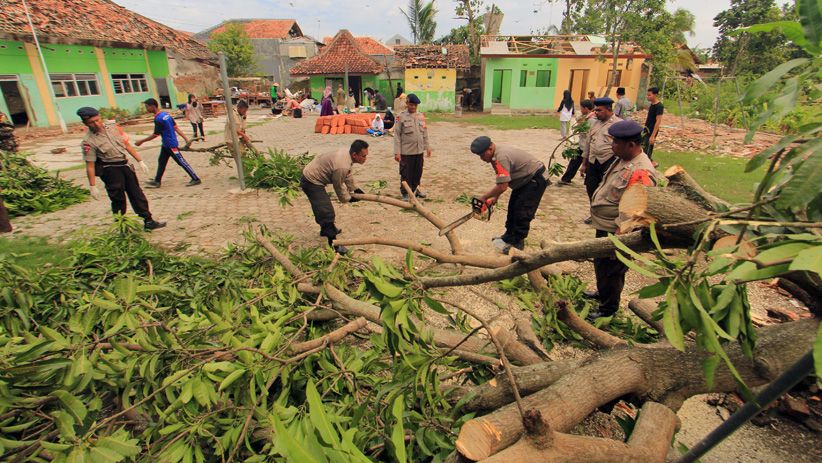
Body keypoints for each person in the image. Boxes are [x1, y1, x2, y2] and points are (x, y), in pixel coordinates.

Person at [588, 120, 659, 319]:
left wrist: (621, 239)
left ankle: (607, 310)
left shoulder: (641, 171)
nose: (612, 146)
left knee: (613, 270)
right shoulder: (623, 158)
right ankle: (602, 295)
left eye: (616, 142)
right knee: (601, 264)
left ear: (631, 144)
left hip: (618, 230)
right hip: (606, 224)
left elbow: (635, 211)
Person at [77, 107, 166, 231]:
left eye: (97, 120)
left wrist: (139, 160)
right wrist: (92, 185)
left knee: (137, 194)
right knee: (118, 199)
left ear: (100, 117)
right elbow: (90, 165)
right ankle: (122, 226)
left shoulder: (113, 127)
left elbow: (126, 144)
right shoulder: (89, 141)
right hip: (110, 170)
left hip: (125, 165)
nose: (96, 124)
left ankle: (148, 220)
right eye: (91, 122)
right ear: (85, 123)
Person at [470, 136, 548, 254]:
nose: (481, 158)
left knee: (522, 211)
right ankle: (508, 236)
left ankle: (517, 243)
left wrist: (484, 197)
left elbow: (503, 186)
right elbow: (502, 181)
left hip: (534, 179)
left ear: (490, 148)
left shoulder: (501, 157)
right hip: (523, 180)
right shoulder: (494, 156)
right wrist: (495, 197)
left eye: (482, 155)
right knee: (513, 207)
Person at [300, 140, 368, 255]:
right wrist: (348, 199)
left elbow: (347, 174)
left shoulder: (347, 157)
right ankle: (334, 244)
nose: (365, 158)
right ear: (355, 155)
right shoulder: (342, 165)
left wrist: (355, 189)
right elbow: (338, 186)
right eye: (363, 156)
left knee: (322, 208)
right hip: (311, 181)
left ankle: (325, 229)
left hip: (314, 175)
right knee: (326, 212)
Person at [136, 98, 200, 188]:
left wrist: (141, 141)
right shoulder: (166, 115)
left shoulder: (158, 119)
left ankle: (196, 178)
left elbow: (155, 134)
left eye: (147, 107)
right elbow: (176, 127)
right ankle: (157, 181)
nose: (146, 109)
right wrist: (185, 138)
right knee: (161, 161)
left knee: (181, 161)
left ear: (153, 106)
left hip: (170, 144)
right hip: (166, 144)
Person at [580, 97, 621, 205]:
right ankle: (593, 209)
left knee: (605, 189)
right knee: (591, 187)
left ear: (608, 109)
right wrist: (584, 164)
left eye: (599, 110)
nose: (596, 113)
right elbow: (588, 145)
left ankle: (601, 210)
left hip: (608, 161)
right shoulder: (595, 124)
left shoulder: (618, 124)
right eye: (595, 110)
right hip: (593, 161)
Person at [394, 94, 431, 200]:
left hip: (419, 151)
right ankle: (405, 193)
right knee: (406, 173)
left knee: (418, 172)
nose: (413, 107)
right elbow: (396, 135)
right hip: (406, 152)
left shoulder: (420, 116)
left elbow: (425, 132)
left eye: (415, 105)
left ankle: (415, 189)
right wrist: (397, 152)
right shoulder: (400, 117)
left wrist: (427, 147)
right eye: (411, 104)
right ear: (407, 104)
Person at [559, 99, 596, 185]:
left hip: (587, 146)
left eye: (581, 108)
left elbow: (589, 134)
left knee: (586, 164)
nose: (581, 110)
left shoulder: (592, 120)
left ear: (586, 108)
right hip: (582, 144)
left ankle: (588, 181)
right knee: (575, 161)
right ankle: (566, 178)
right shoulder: (586, 117)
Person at [643, 87, 664, 160]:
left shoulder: (659, 106)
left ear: (655, 95)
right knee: (643, 148)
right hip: (646, 129)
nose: (647, 97)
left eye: (649, 95)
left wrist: (653, 136)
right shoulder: (652, 105)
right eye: (647, 95)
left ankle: (649, 164)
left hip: (651, 131)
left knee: (647, 150)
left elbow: (658, 121)